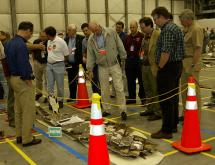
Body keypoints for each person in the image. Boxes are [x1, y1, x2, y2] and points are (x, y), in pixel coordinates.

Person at [5, 21, 42, 146]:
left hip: (13, 78)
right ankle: (27, 139)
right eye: (31, 33)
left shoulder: (9, 43)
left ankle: (19, 136)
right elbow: (23, 63)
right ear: (27, 30)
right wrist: (28, 79)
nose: (30, 36)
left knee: (18, 109)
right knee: (28, 110)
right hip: (22, 80)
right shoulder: (21, 44)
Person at [150, 7, 184, 139]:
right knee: (173, 97)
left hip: (168, 67)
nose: (155, 22)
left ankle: (166, 130)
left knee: (165, 99)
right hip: (175, 66)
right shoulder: (174, 27)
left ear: (160, 17)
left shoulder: (168, 30)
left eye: (155, 19)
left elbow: (166, 52)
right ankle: (173, 124)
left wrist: (160, 66)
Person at [87, 21, 127, 120]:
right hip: (102, 66)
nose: (95, 32)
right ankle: (106, 109)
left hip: (114, 64)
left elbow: (119, 44)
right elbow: (90, 55)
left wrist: (123, 57)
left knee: (119, 88)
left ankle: (123, 110)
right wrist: (89, 69)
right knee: (104, 90)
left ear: (99, 25)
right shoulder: (91, 39)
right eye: (93, 31)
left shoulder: (111, 32)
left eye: (96, 29)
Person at [179, 9, 204, 121]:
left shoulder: (196, 29)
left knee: (193, 91)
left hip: (191, 63)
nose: (181, 23)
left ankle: (195, 117)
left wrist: (193, 65)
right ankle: (186, 114)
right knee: (184, 91)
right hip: (185, 63)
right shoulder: (187, 29)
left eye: (182, 21)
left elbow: (198, 49)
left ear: (188, 19)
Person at [138, 17, 162, 121]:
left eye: (143, 27)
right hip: (144, 65)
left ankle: (158, 111)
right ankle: (150, 108)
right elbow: (143, 50)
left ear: (149, 26)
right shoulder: (145, 36)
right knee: (147, 89)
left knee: (155, 89)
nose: (142, 29)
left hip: (153, 66)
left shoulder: (157, 34)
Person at [45, 26, 69, 108]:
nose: (45, 36)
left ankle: (60, 100)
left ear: (49, 35)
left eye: (46, 35)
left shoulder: (61, 42)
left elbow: (66, 55)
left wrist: (62, 62)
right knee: (50, 85)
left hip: (59, 65)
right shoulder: (48, 41)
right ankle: (51, 102)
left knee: (60, 85)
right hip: (49, 65)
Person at [124, 20, 145, 104]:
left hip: (138, 61)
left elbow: (144, 49)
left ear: (137, 27)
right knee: (130, 81)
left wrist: (141, 58)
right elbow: (124, 49)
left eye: (133, 27)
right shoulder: (127, 38)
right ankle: (132, 98)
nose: (132, 29)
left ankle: (143, 98)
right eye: (131, 27)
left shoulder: (142, 36)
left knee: (141, 81)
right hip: (129, 61)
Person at [64, 24, 84, 102]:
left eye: (69, 30)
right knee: (71, 81)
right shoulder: (66, 39)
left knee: (81, 81)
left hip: (79, 64)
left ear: (74, 31)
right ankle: (72, 97)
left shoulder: (81, 38)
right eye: (68, 30)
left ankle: (82, 97)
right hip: (70, 64)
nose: (68, 32)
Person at [110, 21, 128, 98]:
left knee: (123, 76)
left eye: (119, 27)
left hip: (122, 58)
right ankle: (114, 92)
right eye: (117, 27)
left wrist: (123, 58)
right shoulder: (112, 35)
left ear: (122, 28)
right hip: (113, 58)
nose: (118, 28)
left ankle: (125, 93)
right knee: (114, 75)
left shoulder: (125, 36)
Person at [81, 23, 100, 94]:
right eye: (83, 31)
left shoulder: (96, 38)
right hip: (90, 65)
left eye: (86, 30)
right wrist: (84, 57)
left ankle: (101, 100)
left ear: (90, 30)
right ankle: (95, 98)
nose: (85, 32)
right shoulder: (83, 41)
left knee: (98, 82)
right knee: (92, 82)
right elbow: (83, 52)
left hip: (98, 64)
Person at [33, 31, 48, 102]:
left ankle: (47, 96)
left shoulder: (49, 42)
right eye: (41, 36)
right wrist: (34, 61)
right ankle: (39, 93)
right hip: (37, 62)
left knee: (47, 80)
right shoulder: (36, 41)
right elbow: (33, 52)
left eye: (44, 36)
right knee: (38, 79)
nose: (42, 38)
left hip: (46, 63)